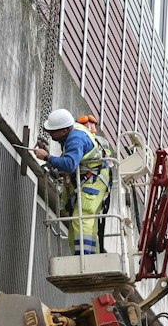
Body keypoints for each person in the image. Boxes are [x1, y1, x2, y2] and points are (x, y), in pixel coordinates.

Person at [32, 108, 111, 255]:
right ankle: (84, 258)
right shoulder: (72, 133)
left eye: (53, 131)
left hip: (93, 181)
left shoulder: (75, 138)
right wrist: (49, 156)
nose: (51, 134)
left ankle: (84, 259)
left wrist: (47, 157)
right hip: (94, 180)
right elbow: (68, 163)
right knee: (81, 222)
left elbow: (69, 164)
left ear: (64, 130)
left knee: (82, 218)